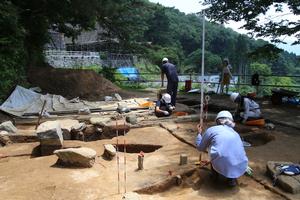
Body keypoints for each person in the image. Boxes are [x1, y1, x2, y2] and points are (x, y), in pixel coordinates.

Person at [196, 111, 248, 187]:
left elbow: (200, 147)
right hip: (240, 163)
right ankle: (231, 179)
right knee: (232, 150)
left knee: (213, 147)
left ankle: (215, 176)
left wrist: (199, 134)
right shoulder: (235, 133)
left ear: (217, 121)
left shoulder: (212, 130)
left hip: (221, 160)